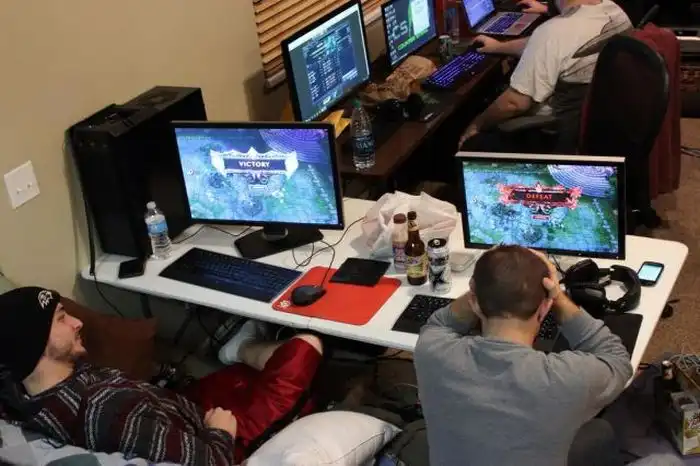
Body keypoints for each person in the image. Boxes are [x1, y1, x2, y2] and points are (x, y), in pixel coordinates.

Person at [0, 287, 323, 466]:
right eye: (61, 319)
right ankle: (241, 348)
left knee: (246, 372)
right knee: (306, 347)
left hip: (180, 407)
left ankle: (238, 350)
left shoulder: (19, 390)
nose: (76, 322)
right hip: (220, 439)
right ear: (33, 343)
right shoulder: (110, 412)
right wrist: (221, 433)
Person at [414, 246, 633, 466]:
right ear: (544, 307)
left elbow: (439, 323)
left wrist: (485, 283)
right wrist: (557, 297)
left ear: (474, 301)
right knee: (601, 431)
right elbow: (617, 359)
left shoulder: (432, 352)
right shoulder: (568, 379)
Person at [459, 0, 632, 153]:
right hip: (599, 125)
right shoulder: (614, 11)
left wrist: (476, 124)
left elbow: (514, 104)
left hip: (553, 132)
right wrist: (498, 47)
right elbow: (552, 45)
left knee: (471, 136)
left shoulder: (554, 31)